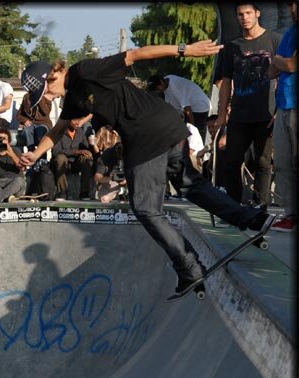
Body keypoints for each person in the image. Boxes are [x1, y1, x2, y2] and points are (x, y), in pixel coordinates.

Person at [18, 39, 272, 295]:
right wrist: (36, 153)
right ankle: (250, 218)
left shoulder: (85, 70)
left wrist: (185, 50)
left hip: (147, 135)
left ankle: (189, 268)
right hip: (167, 127)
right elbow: (58, 129)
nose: (49, 98)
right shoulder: (73, 97)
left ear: (52, 76)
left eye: (47, 92)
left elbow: (134, 54)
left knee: (146, 208)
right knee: (190, 184)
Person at [215, 3, 281, 207]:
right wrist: (222, 114)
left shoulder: (275, 40)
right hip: (239, 114)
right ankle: (234, 207)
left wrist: (279, 110)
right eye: (240, 14)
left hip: (267, 113)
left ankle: (260, 207)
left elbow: (286, 77)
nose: (244, 17)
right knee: (231, 161)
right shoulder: (231, 46)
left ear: (257, 14)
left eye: (248, 13)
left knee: (263, 162)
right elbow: (225, 82)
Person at [268, 1, 297, 233]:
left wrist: (279, 60)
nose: (294, 9)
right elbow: (272, 70)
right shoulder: (289, 33)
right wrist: (281, 62)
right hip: (284, 105)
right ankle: (291, 214)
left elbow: (289, 64)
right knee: (283, 164)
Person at [147, 74, 211, 142]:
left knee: (194, 136)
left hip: (200, 107)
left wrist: (192, 132)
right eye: (155, 90)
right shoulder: (166, 84)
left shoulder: (175, 85)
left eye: (157, 88)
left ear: (161, 82)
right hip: (190, 109)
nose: (157, 91)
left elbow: (188, 110)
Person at [50, 122, 94, 201]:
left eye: (79, 120)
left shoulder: (81, 132)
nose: (77, 123)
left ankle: (84, 192)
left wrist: (88, 150)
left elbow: (85, 149)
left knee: (87, 159)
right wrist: (75, 151)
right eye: (75, 120)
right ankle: (62, 191)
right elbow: (55, 151)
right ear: (69, 120)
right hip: (64, 163)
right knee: (60, 158)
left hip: (77, 163)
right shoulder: (59, 132)